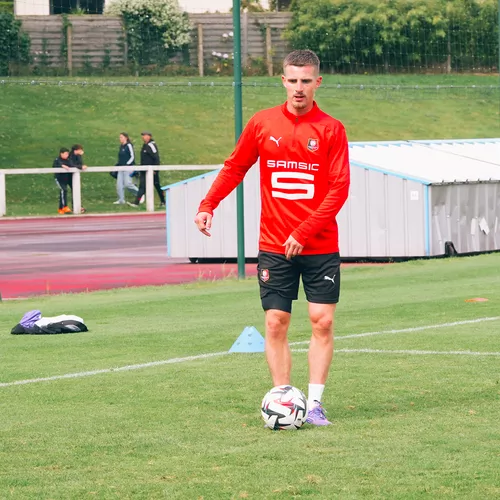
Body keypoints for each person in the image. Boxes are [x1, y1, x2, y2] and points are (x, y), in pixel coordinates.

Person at [194, 50, 350, 426]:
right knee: (276, 321)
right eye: (293, 80)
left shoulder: (331, 129)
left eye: (306, 80)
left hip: (320, 245)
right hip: (274, 245)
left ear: (317, 82)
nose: (299, 88)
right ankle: (283, 398)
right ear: (283, 81)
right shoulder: (262, 124)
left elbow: (339, 188)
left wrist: (304, 231)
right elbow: (235, 167)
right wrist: (208, 204)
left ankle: (313, 405)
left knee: (322, 321)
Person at [129, 131, 165, 208]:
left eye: (145, 135)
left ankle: (163, 201)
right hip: (144, 170)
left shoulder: (151, 145)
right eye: (142, 135)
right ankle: (136, 202)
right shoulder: (145, 145)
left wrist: (155, 169)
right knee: (142, 186)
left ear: (149, 136)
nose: (143, 137)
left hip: (152, 171)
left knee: (157, 185)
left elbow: (156, 157)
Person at [113, 132, 140, 205]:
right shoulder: (121, 146)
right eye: (119, 137)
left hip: (128, 168)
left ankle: (140, 194)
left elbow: (132, 156)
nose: (120, 139)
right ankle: (121, 200)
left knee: (128, 184)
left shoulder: (129, 145)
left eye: (121, 137)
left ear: (126, 138)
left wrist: (127, 164)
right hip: (121, 168)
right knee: (119, 185)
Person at [53, 147, 72, 214]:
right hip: (59, 179)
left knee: (64, 192)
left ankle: (60, 208)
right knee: (63, 190)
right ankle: (65, 206)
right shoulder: (57, 160)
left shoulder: (68, 160)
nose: (67, 155)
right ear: (61, 153)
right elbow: (55, 166)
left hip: (66, 179)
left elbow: (72, 165)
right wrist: (62, 166)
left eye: (68, 154)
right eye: (66, 154)